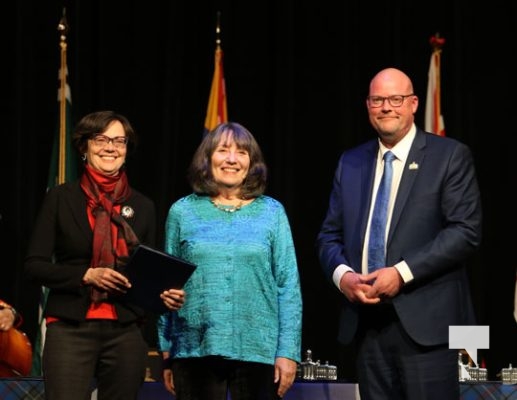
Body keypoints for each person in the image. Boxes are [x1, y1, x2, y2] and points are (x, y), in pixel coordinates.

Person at [317, 68, 482, 400]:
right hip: (367, 326)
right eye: (378, 100)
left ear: (413, 104)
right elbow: (328, 236)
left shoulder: (449, 156)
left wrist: (401, 273)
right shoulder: (350, 162)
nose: (386, 107)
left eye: (395, 99)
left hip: (427, 328)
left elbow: (466, 231)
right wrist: (344, 277)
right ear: (367, 105)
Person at [24, 110, 186, 400]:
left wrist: (165, 296)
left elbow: (149, 273)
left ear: (126, 149)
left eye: (119, 141)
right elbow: (34, 267)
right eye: (101, 139)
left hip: (126, 330)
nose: (110, 147)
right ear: (84, 146)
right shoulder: (61, 198)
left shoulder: (143, 205)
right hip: (70, 328)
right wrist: (87, 275)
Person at [156, 122, 302, 400]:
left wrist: (287, 351)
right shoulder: (182, 211)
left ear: (252, 162)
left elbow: (288, 285)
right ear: (207, 158)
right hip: (194, 348)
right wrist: (165, 350)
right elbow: (168, 283)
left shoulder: (272, 212)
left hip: (259, 350)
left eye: (242, 152)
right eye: (223, 150)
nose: (232, 159)